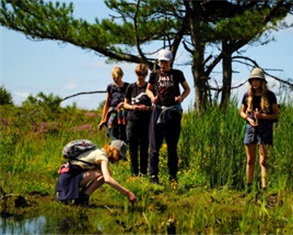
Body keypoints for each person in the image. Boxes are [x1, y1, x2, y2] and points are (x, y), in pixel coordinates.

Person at [146, 49, 191, 184]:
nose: (162, 64)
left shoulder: (177, 74)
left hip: (173, 112)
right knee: (154, 146)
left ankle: (173, 176)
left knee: (172, 146)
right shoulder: (154, 74)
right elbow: (148, 89)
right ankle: (153, 176)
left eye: (165, 61)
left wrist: (181, 97)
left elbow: (187, 89)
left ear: (170, 61)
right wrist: (152, 97)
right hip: (158, 110)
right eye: (160, 61)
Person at [56, 140, 137, 206]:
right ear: (113, 149)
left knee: (104, 172)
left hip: (66, 177)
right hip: (69, 179)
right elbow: (107, 179)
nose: (118, 160)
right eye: (119, 156)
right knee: (105, 173)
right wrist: (128, 193)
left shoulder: (97, 150)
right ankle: (83, 197)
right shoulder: (102, 156)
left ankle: (82, 197)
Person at [239, 67, 279, 191]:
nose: (254, 83)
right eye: (253, 80)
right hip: (251, 128)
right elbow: (242, 112)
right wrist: (248, 119)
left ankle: (264, 187)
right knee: (250, 160)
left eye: (257, 80)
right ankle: (249, 186)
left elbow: (276, 115)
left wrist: (262, 116)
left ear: (262, 82)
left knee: (263, 160)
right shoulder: (247, 95)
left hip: (265, 128)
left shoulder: (270, 96)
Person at [124, 63, 152, 177]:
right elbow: (125, 104)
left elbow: (154, 105)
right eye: (138, 74)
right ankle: (134, 173)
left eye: (142, 74)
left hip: (145, 121)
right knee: (132, 147)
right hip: (132, 120)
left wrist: (147, 108)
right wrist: (132, 107)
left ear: (146, 75)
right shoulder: (131, 87)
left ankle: (143, 172)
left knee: (144, 147)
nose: (140, 76)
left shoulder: (149, 88)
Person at [99, 67, 129, 142]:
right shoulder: (110, 87)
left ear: (121, 76)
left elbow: (130, 101)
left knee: (124, 133)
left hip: (124, 113)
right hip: (113, 113)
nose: (115, 79)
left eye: (117, 77)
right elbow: (107, 103)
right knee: (112, 132)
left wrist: (123, 104)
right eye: (113, 78)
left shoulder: (127, 86)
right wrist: (103, 119)